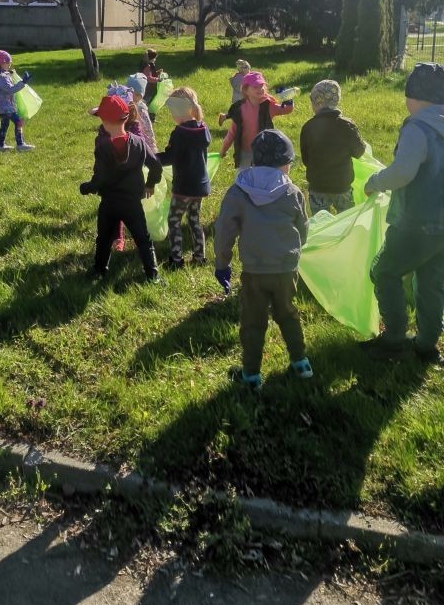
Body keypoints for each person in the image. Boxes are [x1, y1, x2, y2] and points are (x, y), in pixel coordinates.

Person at [362, 63, 444, 365]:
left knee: (385, 272)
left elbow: (403, 172)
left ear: (414, 97)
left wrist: (374, 183)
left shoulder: (418, 127)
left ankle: (394, 338)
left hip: (418, 223)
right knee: (431, 283)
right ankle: (427, 344)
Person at [213, 129, 312, 389]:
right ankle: (301, 363)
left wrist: (222, 263)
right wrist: (298, 247)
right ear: (286, 163)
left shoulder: (239, 191)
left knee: (253, 322)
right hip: (286, 268)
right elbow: (303, 227)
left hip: (254, 271)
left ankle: (251, 375)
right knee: (288, 314)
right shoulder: (292, 192)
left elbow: (224, 229)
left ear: (255, 161)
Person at [80, 94, 162, 282]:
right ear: (126, 118)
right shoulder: (139, 142)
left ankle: (99, 271)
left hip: (110, 203)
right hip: (132, 203)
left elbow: (99, 177)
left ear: (105, 121)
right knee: (143, 239)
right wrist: (150, 183)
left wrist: (87, 187)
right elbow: (155, 165)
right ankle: (153, 275)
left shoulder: (102, 145)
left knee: (104, 239)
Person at [157, 87, 211, 268]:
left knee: (174, 220)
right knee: (194, 220)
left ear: (178, 111)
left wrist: (150, 157)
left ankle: (176, 260)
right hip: (200, 186)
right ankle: (199, 257)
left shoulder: (179, 133)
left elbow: (169, 158)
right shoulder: (203, 128)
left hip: (184, 188)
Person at [89, 82, 145, 252]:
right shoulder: (104, 128)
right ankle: (118, 237)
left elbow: (140, 145)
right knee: (113, 207)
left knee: (131, 208)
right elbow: (99, 146)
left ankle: (140, 236)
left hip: (129, 175)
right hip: (110, 174)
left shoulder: (134, 126)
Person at [300, 79, 366, 215]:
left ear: (315, 102)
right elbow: (359, 152)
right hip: (341, 186)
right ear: (337, 100)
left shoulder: (308, 127)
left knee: (320, 223)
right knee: (346, 221)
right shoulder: (347, 126)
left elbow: (306, 159)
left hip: (318, 186)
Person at [220, 71, 294, 171]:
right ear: (246, 90)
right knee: (243, 177)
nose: (260, 89)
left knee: (262, 176)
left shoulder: (268, 106)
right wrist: (223, 150)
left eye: (262, 86)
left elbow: (286, 110)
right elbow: (232, 133)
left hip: (264, 151)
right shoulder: (240, 108)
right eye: (255, 87)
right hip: (245, 151)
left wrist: (288, 100)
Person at [0, 50, 35, 152]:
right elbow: (10, 89)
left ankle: (1, 146)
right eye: (8, 63)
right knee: (19, 122)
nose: (10, 64)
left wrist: (10, 73)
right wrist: (22, 82)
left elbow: (6, 78)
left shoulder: (1, 73)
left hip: (3, 106)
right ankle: (20, 144)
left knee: (4, 125)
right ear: (1, 63)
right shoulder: (1, 77)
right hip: (6, 107)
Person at [125, 73, 157, 153]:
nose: (133, 96)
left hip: (140, 144)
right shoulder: (123, 106)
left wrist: (152, 148)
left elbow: (148, 130)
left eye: (137, 94)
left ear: (142, 96)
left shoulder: (141, 110)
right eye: (130, 93)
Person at [218, 59, 252, 127]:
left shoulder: (247, 76)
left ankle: (225, 117)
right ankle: (226, 118)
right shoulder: (239, 77)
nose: (248, 70)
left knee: (244, 112)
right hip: (239, 99)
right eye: (245, 68)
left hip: (245, 99)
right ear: (241, 70)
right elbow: (239, 88)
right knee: (238, 113)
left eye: (248, 68)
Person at [140, 48, 163, 116]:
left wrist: (157, 73)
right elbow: (148, 78)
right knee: (146, 101)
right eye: (155, 58)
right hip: (147, 87)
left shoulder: (148, 65)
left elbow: (150, 74)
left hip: (149, 86)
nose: (155, 60)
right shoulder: (148, 66)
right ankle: (144, 115)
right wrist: (158, 79)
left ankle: (148, 114)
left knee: (148, 100)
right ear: (152, 58)